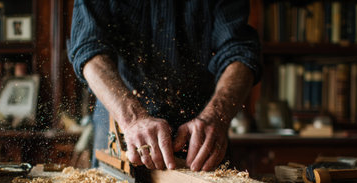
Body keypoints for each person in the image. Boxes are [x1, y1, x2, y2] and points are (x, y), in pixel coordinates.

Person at [68, 0, 261, 171]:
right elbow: (89, 49)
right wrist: (132, 118)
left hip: (199, 126)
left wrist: (216, 114)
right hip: (121, 115)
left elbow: (239, 51)